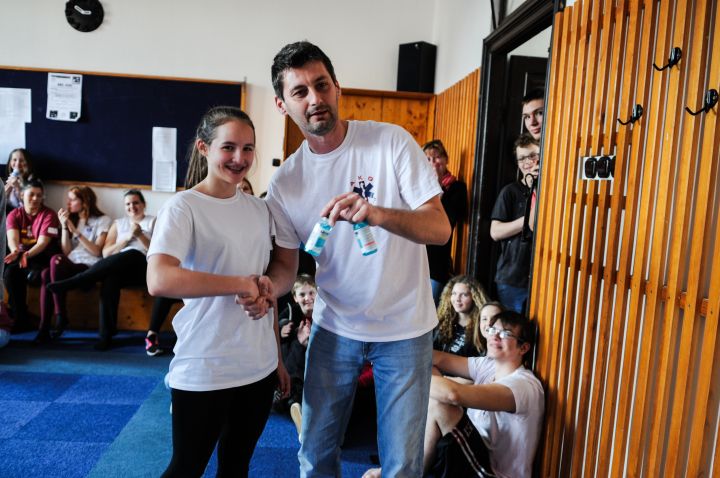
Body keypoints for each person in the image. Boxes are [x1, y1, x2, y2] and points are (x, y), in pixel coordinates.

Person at [265, 41, 451, 477]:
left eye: (321, 85)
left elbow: (439, 229)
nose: (315, 99)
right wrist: (259, 290)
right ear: (282, 104)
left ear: (337, 87)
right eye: (300, 92)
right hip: (335, 327)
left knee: (402, 464)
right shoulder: (285, 182)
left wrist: (376, 214)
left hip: (405, 328)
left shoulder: (389, 141)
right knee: (315, 453)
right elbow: (287, 268)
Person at [146, 106, 290, 477]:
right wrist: (238, 283)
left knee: (236, 466)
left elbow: (265, 287)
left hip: (257, 365)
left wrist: (276, 356)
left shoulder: (260, 210)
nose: (239, 158)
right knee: (186, 467)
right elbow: (159, 279)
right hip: (205, 363)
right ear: (203, 148)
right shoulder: (184, 207)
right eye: (228, 147)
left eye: (248, 148)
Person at [365, 310, 544, 478]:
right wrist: (394, 355)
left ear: (523, 348)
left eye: (505, 333)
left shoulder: (523, 386)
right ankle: (405, 469)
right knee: (429, 375)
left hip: (494, 474)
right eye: (493, 330)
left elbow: (453, 394)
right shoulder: (488, 366)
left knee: (440, 405)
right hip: (474, 458)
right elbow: (439, 358)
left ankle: (404, 471)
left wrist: (399, 370)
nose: (494, 336)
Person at [47, 189, 155, 350]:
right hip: (120, 267)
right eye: (128, 204)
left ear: (144, 204)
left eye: (136, 203)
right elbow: (105, 253)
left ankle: (77, 280)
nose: (132, 207)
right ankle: (106, 335)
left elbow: (158, 251)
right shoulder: (118, 224)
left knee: (132, 253)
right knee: (109, 280)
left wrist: (140, 235)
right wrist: (126, 238)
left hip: (144, 267)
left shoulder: (154, 221)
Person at [36, 186, 112, 343]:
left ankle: (60, 315)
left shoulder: (103, 220)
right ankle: (44, 328)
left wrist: (75, 231)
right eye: (68, 199)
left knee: (55, 261)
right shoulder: (74, 219)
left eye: (72, 199)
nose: (68, 203)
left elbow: (97, 251)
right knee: (46, 273)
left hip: (88, 266)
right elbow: (67, 251)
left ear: (85, 201)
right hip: (70, 263)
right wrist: (65, 227)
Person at [490, 133, 540, 313]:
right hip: (513, 277)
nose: (528, 162)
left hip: (542, 275)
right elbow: (495, 232)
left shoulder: (552, 189)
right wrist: (527, 220)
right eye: (522, 158)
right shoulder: (510, 191)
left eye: (533, 156)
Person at [4, 180, 60, 334]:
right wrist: (15, 251)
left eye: (39, 195)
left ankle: (40, 323)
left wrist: (26, 255)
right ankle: (20, 317)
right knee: (10, 273)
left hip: (42, 257)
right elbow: (12, 239)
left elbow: (42, 243)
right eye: (31, 195)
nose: (35, 199)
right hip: (22, 256)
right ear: (22, 195)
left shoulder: (49, 214)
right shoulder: (14, 214)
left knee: (34, 275)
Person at [423, 140, 468, 304]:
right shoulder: (419, 187)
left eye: (437, 157)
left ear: (446, 159)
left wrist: (436, 186)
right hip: (416, 260)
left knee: (431, 308)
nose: (433, 163)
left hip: (437, 262)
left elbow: (447, 219)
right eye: (428, 159)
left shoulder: (457, 188)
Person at [275, 274, 317, 433]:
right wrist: (283, 330)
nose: (308, 298)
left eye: (311, 293)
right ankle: (295, 404)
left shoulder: (322, 313)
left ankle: (295, 405)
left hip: (314, 360)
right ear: (295, 297)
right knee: (294, 347)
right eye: (302, 294)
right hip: (293, 361)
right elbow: (277, 327)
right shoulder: (291, 311)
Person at [434, 275, 491, 357]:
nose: (457, 299)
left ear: (474, 298)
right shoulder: (444, 321)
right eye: (454, 293)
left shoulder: (481, 326)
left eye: (464, 295)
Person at [4, 148, 38, 213]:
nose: (17, 164)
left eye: (22, 160)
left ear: (28, 163)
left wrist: (17, 187)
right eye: (14, 160)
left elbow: (30, 207)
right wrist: (9, 185)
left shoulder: (34, 182)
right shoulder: (7, 180)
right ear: (10, 162)